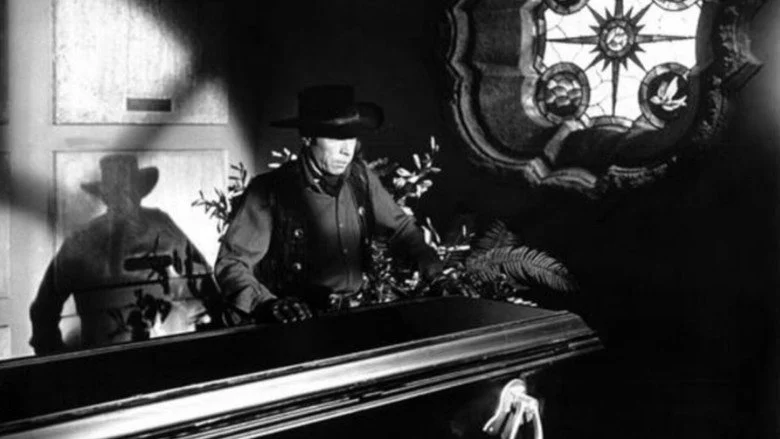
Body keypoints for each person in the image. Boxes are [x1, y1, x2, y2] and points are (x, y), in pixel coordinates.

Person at [215, 85, 441, 324]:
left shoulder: (361, 179)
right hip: (296, 325)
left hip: (355, 318)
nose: (346, 150)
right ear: (307, 137)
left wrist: (435, 272)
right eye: (336, 138)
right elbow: (232, 263)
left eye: (351, 137)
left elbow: (402, 229)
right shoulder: (270, 191)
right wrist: (267, 303)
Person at [29, 154, 214, 354]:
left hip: (162, 354)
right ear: (105, 196)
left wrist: (206, 339)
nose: (124, 199)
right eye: (116, 192)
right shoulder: (81, 241)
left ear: (139, 192)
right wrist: (58, 360)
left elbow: (205, 286)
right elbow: (44, 309)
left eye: (128, 191)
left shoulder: (162, 228)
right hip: (101, 361)